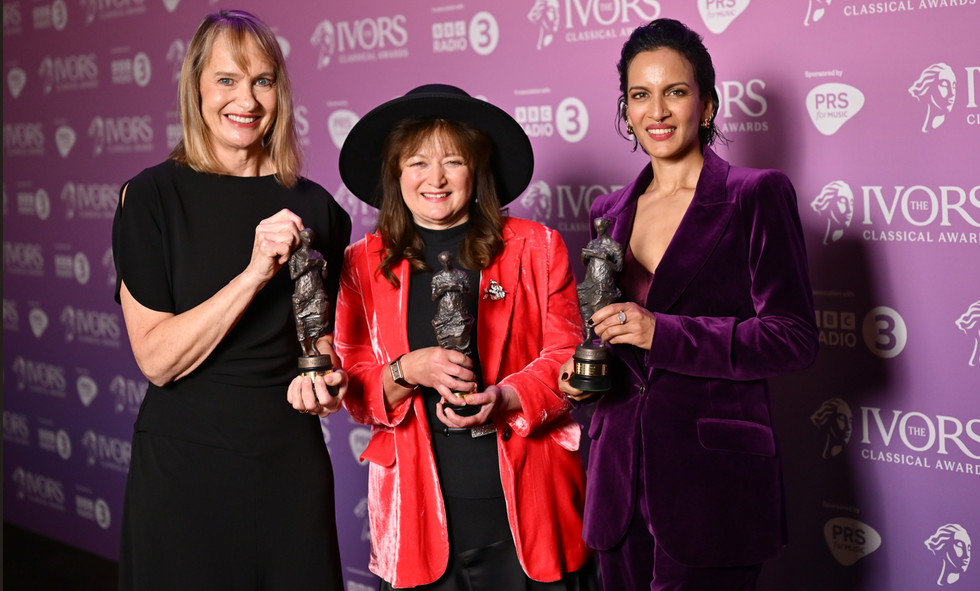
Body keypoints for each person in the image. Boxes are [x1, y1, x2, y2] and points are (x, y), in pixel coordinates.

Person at [558, 19, 819, 591]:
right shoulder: (610, 210)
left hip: (713, 487)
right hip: (618, 484)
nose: (657, 110)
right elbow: (608, 336)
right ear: (625, 109)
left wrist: (664, 333)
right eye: (640, 94)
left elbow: (793, 336)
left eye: (675, 91)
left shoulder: (756, 194)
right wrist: (580, 380)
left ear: (705, 105)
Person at [112, 10, 350, 590]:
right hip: (184, 467)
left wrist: (328, 385)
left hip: (288, 465)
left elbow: (320, 350)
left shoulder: (319, 209)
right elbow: (157, 359)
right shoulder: (149, 198)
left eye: (262, 81)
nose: (246, 99)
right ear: (196, 86)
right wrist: (254, 272)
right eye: (226, 80)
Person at [334, 84, 592, 590]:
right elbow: (355, 387)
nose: (435, 179)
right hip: (415, 523)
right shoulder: (360, 263)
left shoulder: (537, 249)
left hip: (529, 510)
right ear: (395, 174)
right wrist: (408, 370)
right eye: (416, 163)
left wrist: (507, 395)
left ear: (476, 172)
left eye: (452, 161)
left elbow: (566, 357)